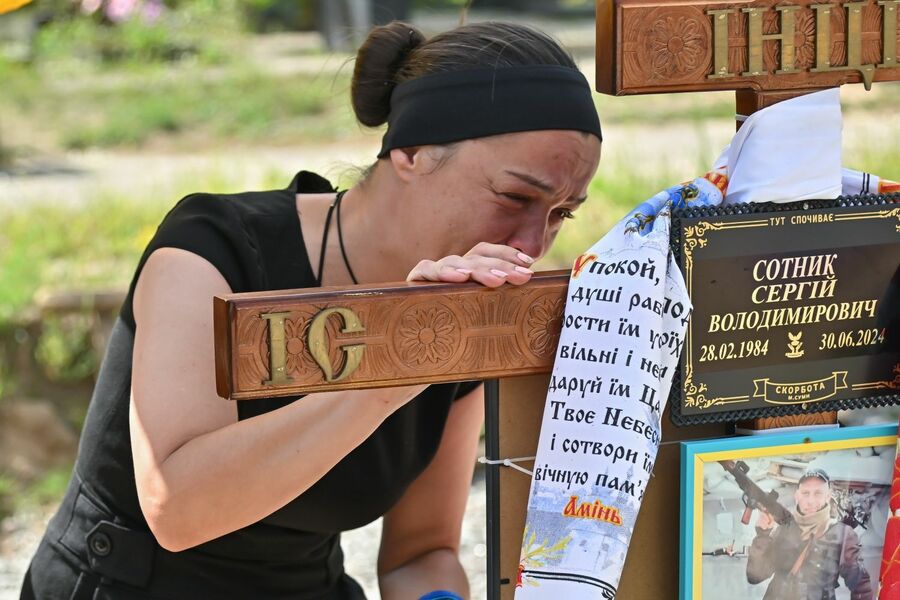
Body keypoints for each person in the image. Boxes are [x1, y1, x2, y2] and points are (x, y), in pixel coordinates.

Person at [20, 20, 603, 600]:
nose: (533, 244)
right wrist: (397, 364)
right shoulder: (211, 250)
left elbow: (421, 553)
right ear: (412, 152)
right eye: (515, 197)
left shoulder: (467, 306)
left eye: (562, 214)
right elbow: (176, 509)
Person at [747, 468, 874, 600]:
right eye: (805, 493)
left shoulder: (842, 534)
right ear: (797, 496)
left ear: (828, 496)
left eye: (818, 493)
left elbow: (862, 587)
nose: (811, 501)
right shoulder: (783, 530)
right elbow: (755, 576)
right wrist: (762, 535)